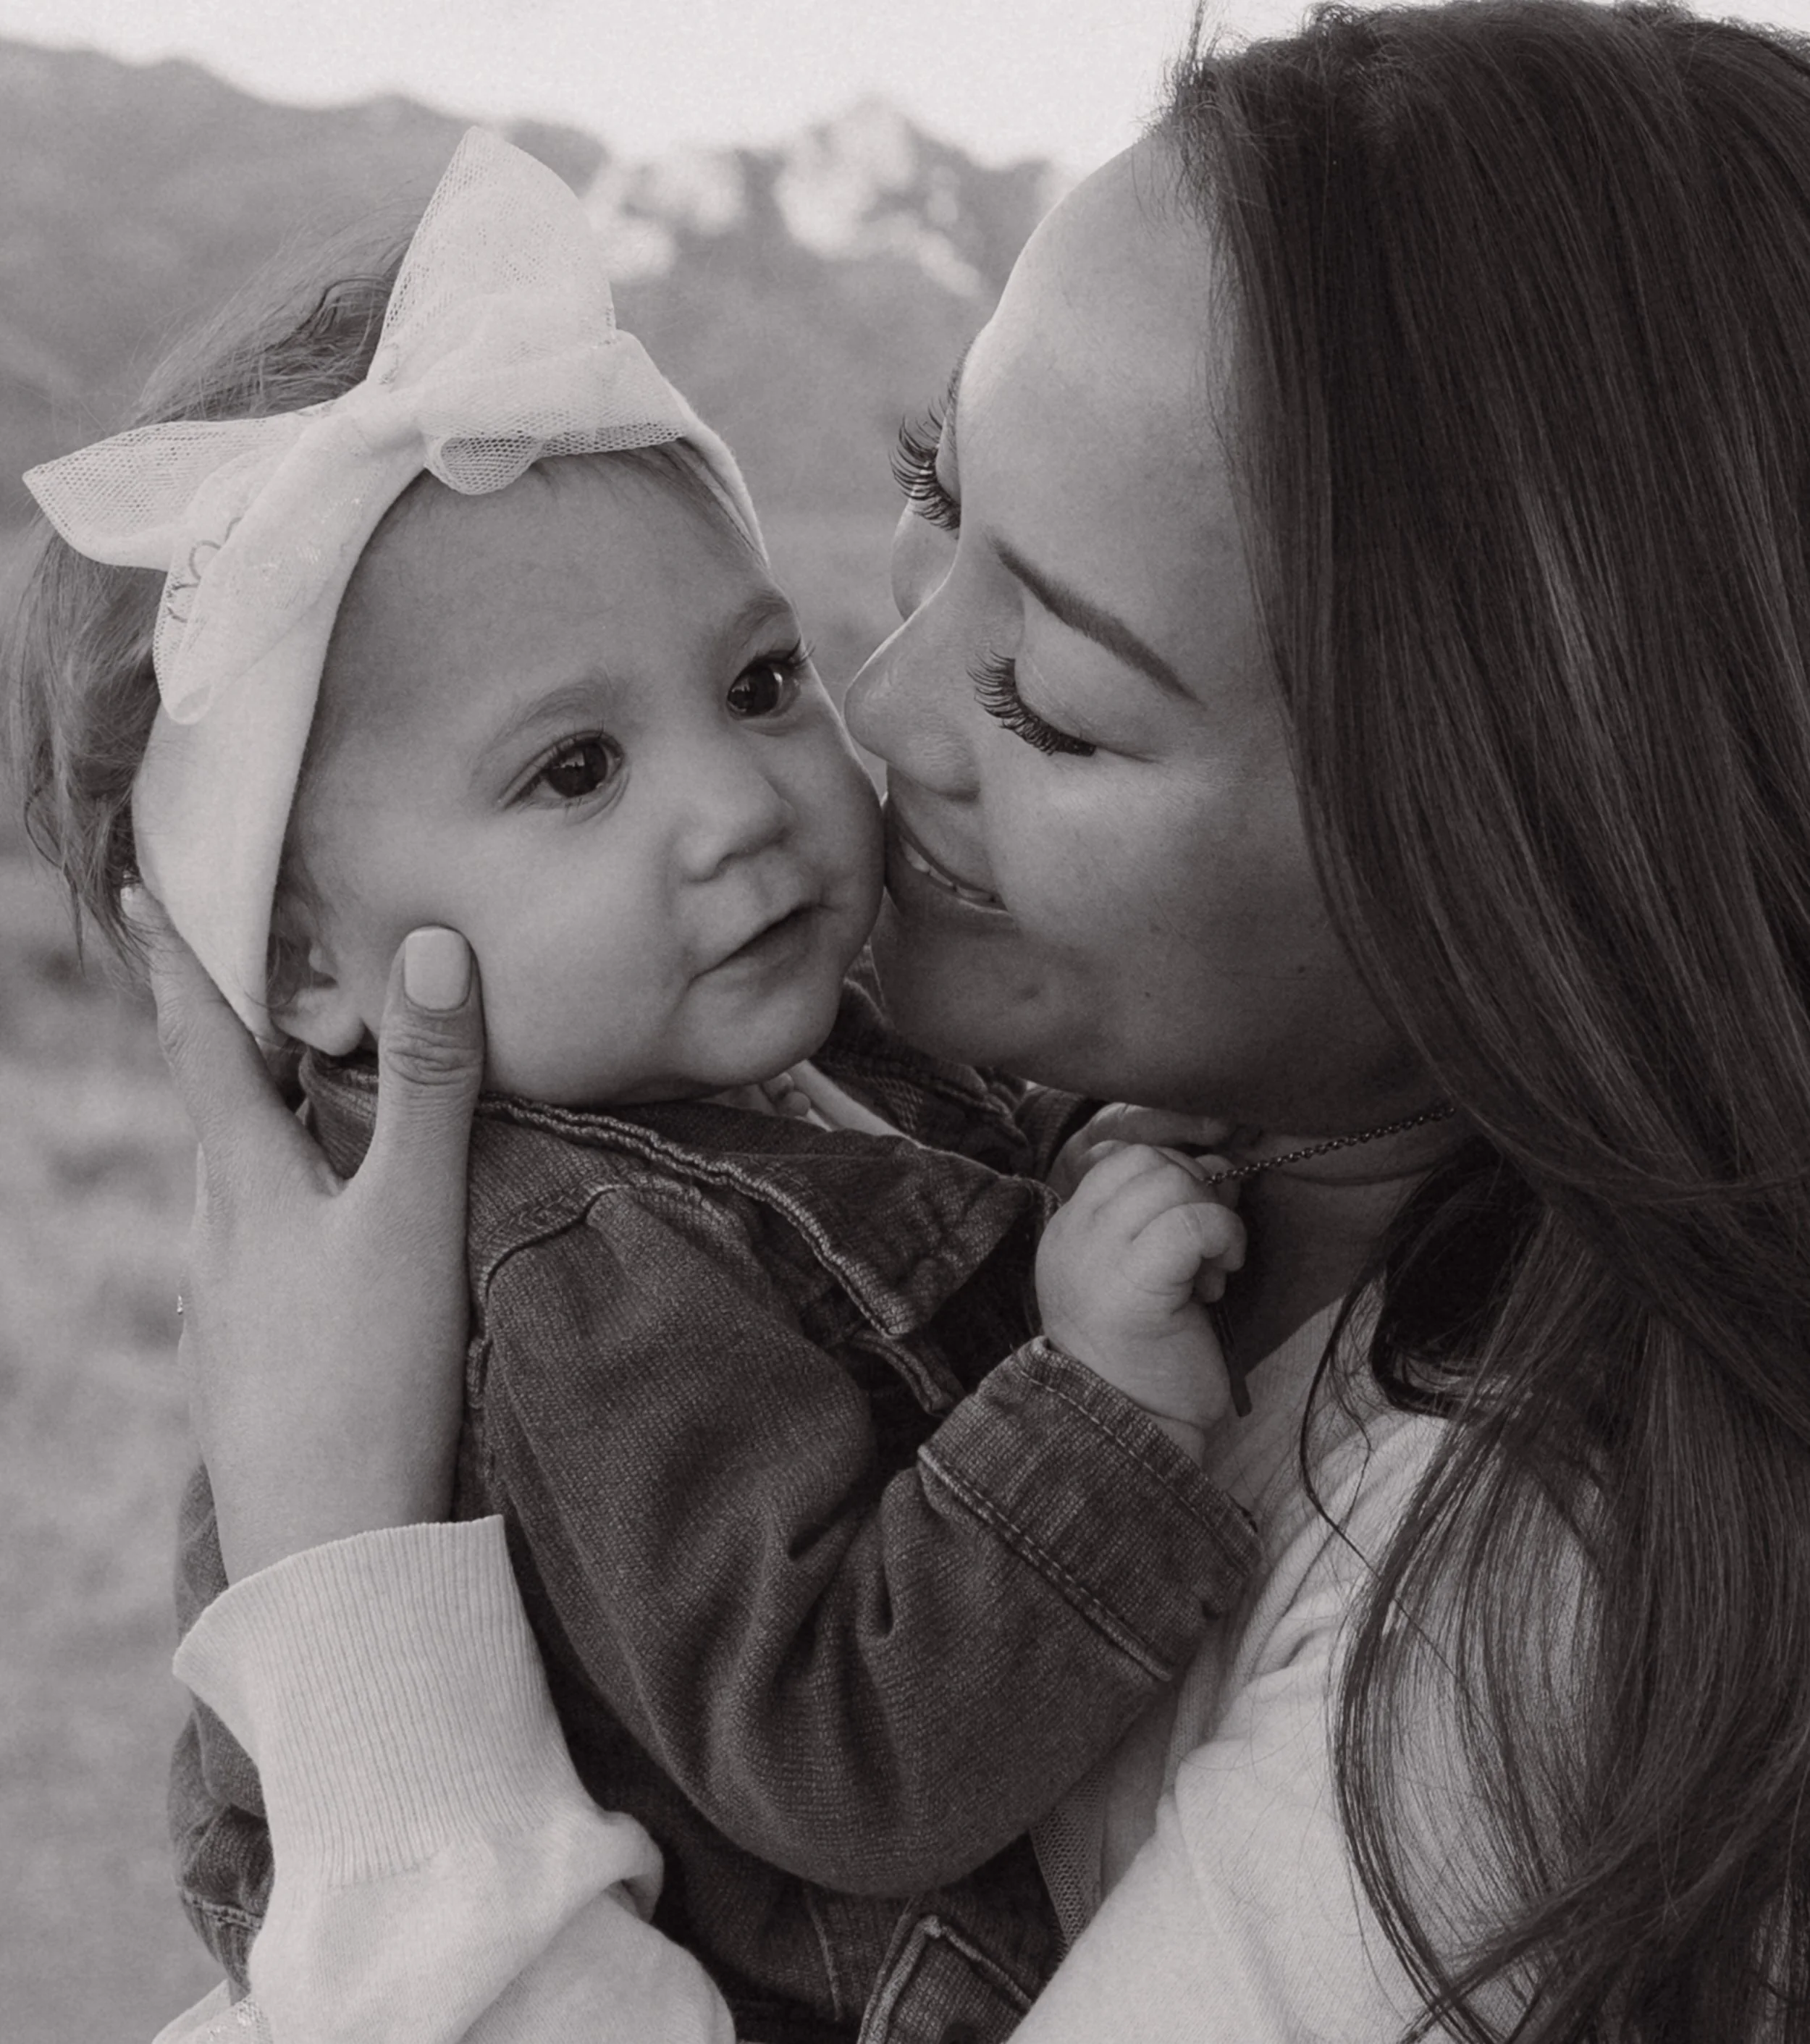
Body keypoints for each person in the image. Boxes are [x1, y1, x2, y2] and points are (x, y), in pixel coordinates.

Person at [22, 0, 1810, 2036]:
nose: (871, 713)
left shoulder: (1521, 1639)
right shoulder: (748, 1180)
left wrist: (342, 1585)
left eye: (1050, 699)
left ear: (1518, 850)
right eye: (929, 501)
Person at [12, 130, 1272, 2043]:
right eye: (575, 772)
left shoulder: (776, 1062)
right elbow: (845, 1751)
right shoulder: (575, 1271)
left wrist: (1079, 1165)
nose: (736, 802)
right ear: (305, 964)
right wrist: (1097, 1402)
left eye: (758, 682)